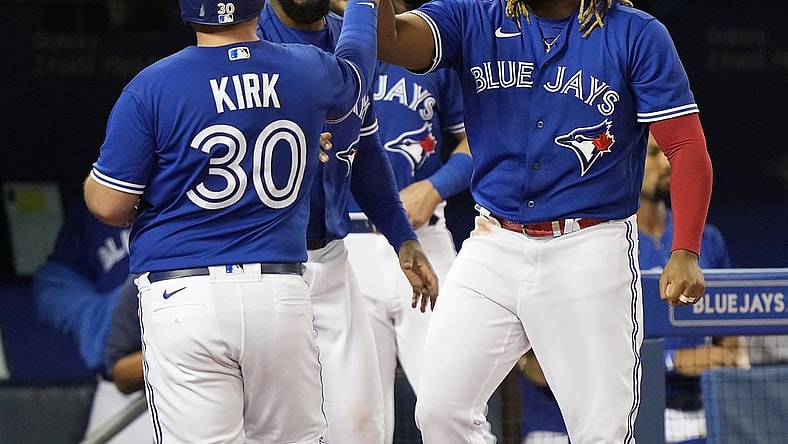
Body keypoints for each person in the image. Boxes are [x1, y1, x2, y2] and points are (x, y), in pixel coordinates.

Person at [376, 0, 715, 442]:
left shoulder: (634, 33)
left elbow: (686, 148)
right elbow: (391, 39)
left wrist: (685, 249)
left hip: (587, 247)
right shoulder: (476, 15)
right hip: (493, 242)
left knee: (602, 433)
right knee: (441, 411)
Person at [81, 0, 393, 440]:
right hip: (278, 290)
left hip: (184, 294)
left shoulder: (152, 85)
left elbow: (109, 204)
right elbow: (356, 73)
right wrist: (361, 4)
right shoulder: (305, 68)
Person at [257, 1, 440, 442]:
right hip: (263, 266)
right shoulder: (250, 35)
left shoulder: (347, 32)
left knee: (363, 428)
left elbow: (364, 146)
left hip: (331, 260)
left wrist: (402, 237)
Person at [515, 134, 742, 444]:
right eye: (652, 154)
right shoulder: (584, 240)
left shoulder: (706, 239)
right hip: (573, 421)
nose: (666, 164)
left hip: (687, 415)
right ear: (625, 162)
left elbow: (731, 347)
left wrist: (715, 360)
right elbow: (538, 363)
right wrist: (671, 361)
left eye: (668, 154)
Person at [341, 0, 477, 440]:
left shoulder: (427, 48)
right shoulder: (326, 46)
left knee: (454, 408)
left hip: (425, 240)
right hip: (347, 246)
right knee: (355, 421)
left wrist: (435, 187)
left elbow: (480, 141)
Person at [32, 196, 150, 443]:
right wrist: (103, 320)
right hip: (126, 387)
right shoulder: (102, 195)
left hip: (216, 375)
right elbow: (52, 286)